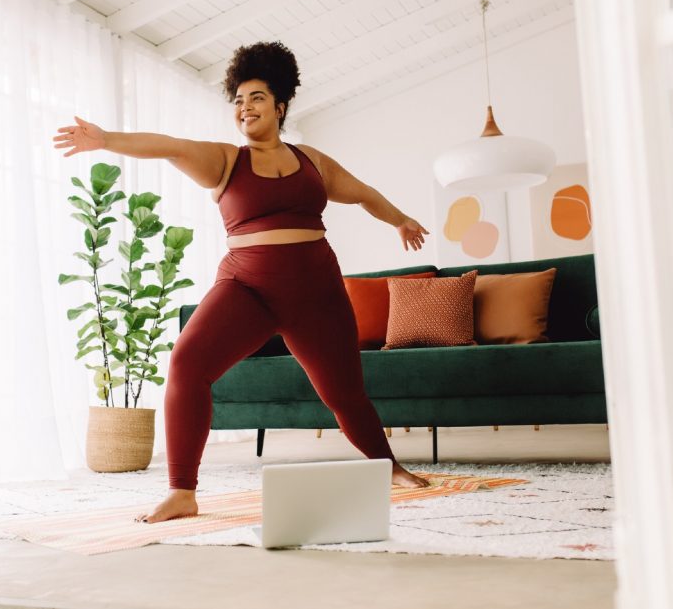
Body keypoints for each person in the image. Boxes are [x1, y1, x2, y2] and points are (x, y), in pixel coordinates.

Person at [53, 41, 431, 525]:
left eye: (254, 98)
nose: (244, 108)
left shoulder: (313, 163)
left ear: (280, 105)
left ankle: (389, 467)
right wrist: (106, 139)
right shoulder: (226, 162)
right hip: (247, 288)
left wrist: (399, 220)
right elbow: (167, 145)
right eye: (237, 101)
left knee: (344, 394)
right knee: (187, 363)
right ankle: (182, 491)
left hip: (316, 290)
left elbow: (363, 194)